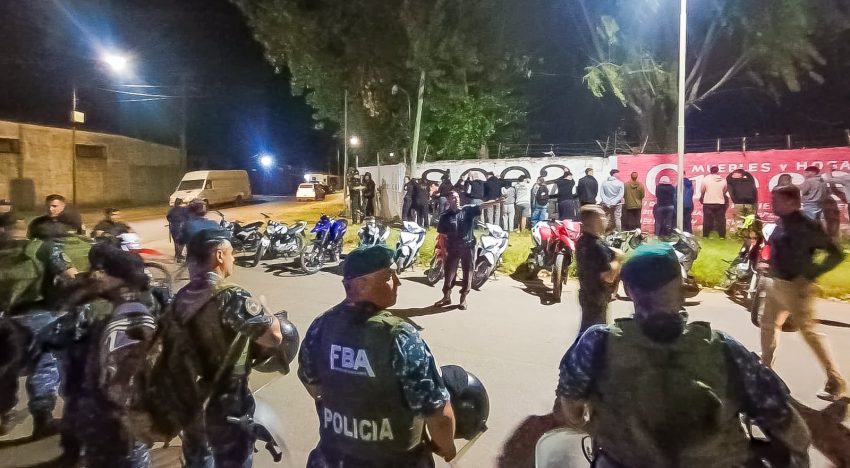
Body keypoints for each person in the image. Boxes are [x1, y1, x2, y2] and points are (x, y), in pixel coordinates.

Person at [557, 243, 812, 467]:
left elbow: (572, 408)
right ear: (680, 284)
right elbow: (795, 432)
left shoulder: (596, 343)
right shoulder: (725, 349)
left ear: (629, 290)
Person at [299, 246, 457, 467]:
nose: (398, 282)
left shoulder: (321, 326)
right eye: (389, 275)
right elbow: (438, 414)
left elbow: (311, 383)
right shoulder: (399, 336)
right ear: (362, 284)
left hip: (333, 458)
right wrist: (447, 448)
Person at [173, 228, 284, 466]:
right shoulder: (230, 295)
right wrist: (266, 311)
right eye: (231, 253)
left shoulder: (180, 296)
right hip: (227, 405)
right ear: (219, 255)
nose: (233, 259)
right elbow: (273, 338)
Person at [46, 243, 157, 467]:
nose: (95, 274)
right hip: (98, 412)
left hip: (114, 421)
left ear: (120, 278)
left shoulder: (126, 314)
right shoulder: (124, 303)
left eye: (101, 270)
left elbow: (126, 384)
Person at [760, 185, 846, 401]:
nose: (773, 204)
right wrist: (767, 266)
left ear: (793, 203)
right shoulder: (782, 221)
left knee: (809, 333)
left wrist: (810, 275)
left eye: (777, 201)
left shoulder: (806, 226)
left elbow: (836, 254)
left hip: (796, 288)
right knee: (768, 326)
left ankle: (835, 380)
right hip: (776, 284)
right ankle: (764, 373)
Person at [435, 192, 498, 310]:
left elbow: (481, 206)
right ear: (448, 200)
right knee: (449, 273)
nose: (456, 199)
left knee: (468, 272)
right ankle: (446, 296)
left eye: (457, 197)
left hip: (468, 247)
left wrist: (495, 201)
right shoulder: (445, 216)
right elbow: (442, 234)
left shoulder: (467, 210)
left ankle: (463, 298)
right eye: (453, 197)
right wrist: (443, 250)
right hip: (452, 247)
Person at [575, 206, 621, 333]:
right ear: (592, 220)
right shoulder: (597, 246)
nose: (605, 219)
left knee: (586, 332)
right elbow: (608, 276)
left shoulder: (582, 241)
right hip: (597, 297)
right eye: (601, 216)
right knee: (594, 335)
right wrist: (618, 259)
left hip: (586, 294)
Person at [701, 166, 729, 239]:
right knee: (721, 220)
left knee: (707, 219)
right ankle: (722, 236)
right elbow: (725, 191)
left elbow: (702, 190)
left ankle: (705, 235)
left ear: (710, 171)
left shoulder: (705, 179)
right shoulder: (723, 180)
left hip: (708, 202)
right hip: (720, 202)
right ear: (718, 171)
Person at [167, 198, 188, 262]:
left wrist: (172, 221)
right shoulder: (184, 209)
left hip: (173, 227)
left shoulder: (171, 210)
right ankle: (178, 256)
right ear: (181, 203)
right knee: (182, 242)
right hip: (181, 227)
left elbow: (168, 217)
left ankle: (177, 255)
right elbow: (188, 217)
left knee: (176, 242)